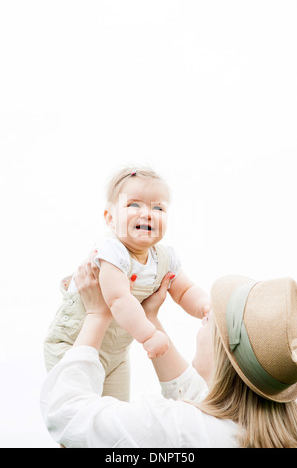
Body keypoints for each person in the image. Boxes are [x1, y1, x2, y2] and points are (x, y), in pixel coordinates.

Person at [40, 258, 297, 448]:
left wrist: (97, 315)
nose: (204, 317)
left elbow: (67, 414)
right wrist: (149, 318)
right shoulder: (284, 430)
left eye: (210, 321)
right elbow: (200, 397)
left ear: (225, 354)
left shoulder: (174, 427)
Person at [43, 166, 210, 401]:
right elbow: (119, 300)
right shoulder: (112, 251)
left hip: (116, 353)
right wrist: (149, 335)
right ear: (110, 218)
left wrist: (205, 306)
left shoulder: (164, 257)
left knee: (114, 414)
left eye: (158, 207)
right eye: (134, 205)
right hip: (74, 343)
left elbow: (185, 291)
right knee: (76, 413)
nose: (148, 213)